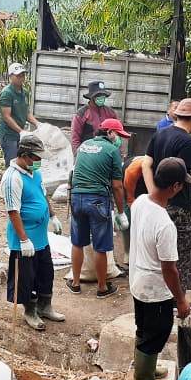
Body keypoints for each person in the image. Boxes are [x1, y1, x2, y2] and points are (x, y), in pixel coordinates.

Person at [129, 157, 191, 380]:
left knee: (143, 327)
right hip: (155, 289)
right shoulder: (165, 225)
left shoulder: (140, 202)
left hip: (138, 281)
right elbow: (170, 269)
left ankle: (146, 368)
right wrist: (181, 300)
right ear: (175, 187)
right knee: (157, 332)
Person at [1, 134, 65, 331]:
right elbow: (13, 211)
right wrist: (23, 239)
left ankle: (45, 306)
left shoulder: (35, 173)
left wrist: (52, 216)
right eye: (36, 158)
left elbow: (43, 196)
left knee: (46, 272)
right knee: (26, 278)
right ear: (26, 155)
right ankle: (30, 311)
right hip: (24, 239)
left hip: (41, 237)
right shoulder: (12, 178)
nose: (39, 162)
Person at [142, 98, 191, 290]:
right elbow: (181, 175)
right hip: (178, 206)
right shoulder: (187, 141)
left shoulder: (159, 134)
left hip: (157, 202)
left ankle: (159, 292)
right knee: (180, 255)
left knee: (157, 253)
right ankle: (178, 299)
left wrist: (153, 193)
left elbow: (146, 164)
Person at [67, 118, 129, 298]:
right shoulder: (112, 151)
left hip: (77, 198)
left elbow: (75, 172)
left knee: (77, 242)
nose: (120, 140)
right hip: (97, 200)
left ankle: (76, 283)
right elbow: (117, 186)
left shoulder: (84, 145)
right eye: (118, 135)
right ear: (110, 132)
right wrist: (121, 212)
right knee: (101, 246)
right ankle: (102, 287)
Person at [0, 62, 38, 166]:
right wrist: (21, 131)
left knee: (23, 163)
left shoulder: (24, 92)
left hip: (19, 135)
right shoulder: (7, 93)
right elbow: (6, 116)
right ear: (11, 76)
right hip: (9, 135)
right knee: (12, 164)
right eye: (18, 75)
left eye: (23, 75)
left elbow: (26, 112)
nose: (21, 78)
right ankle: (9, 182)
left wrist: (37, 124)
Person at [71, 80, 118, 153]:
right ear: (91, 97)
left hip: (106, 152)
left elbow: (117, 133)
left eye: (103, 96)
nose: (101, 98)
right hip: (87, 152)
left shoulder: (111, 113)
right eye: (98, 96)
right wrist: (78, 155)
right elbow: (75, 139)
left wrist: (117, 145)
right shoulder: (81, 114)